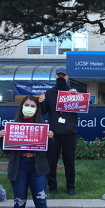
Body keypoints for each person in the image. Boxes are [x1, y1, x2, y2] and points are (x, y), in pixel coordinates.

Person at [0, 95, 54, 208]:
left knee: (41, 202)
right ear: (21, 106)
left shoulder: (43, 125)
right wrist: (1, 137)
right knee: (19, 201)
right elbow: (5, 150)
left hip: (38, 168)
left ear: (37, 108)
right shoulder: (14, 125)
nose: (29, 108)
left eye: (33, 105)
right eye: (26, 105)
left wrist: (51, 138)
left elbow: (49, 152)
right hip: (19, 166)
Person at [39, 68, 78, 196]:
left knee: (69, 162)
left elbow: (83, 107)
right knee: (51, 162)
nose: (61, 77)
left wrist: (76, 96)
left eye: (63, 75)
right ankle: (52, 188)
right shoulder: (49, 93)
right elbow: (43, 111)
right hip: (53, 133)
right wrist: (41, 102)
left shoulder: (73, 92)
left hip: (69, 132)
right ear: (55, 77)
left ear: (67, 77)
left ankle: (71, 187)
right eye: (59, 75)